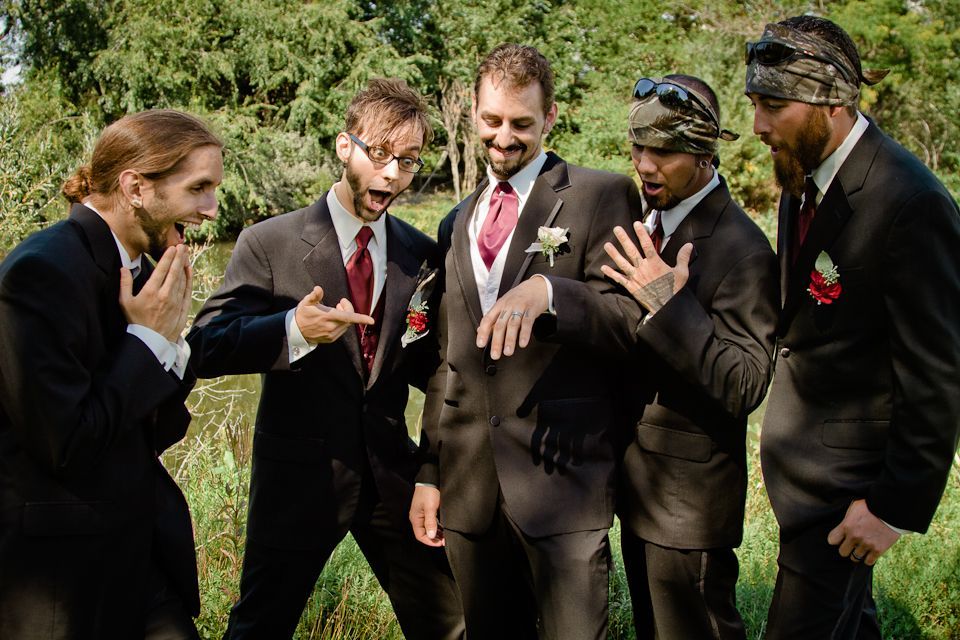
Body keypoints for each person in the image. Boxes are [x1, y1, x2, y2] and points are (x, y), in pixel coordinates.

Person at [187, 78, 464, 640]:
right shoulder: (269, 242)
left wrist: (433, 467)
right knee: (260, 626)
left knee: (449, 622)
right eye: (380, 154)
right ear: (345, 146)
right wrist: (293, 329)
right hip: (299, 477)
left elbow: (430, 366)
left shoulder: (420, 253)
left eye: (407, 162)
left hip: (391, 475)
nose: (392, 174)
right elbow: (207, 343)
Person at [408, 43, 642, 640]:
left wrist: (554, 293)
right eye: (492, 121)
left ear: (551, 117)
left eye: (521, 123)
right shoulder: (455, 220)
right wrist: (429, 472)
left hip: (562, 481)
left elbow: (629, 326)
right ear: (473, 113)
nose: (504, 137)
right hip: (468, 488)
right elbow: (447, 362)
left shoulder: (599, 196)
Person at [745, 15, 960, 639]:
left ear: (832, 101)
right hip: (801, 478)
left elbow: (938, 372)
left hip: (847, 498)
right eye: (756, 104)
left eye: (775, 106)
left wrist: (894, 509)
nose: (759, 126)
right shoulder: (799, 178)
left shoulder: (909, 203)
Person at [0, 109, 223, 639]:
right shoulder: (42, 271)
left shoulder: (144, 272)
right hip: (60, 577)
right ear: (135, 187)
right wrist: (149, 341)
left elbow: (159, 428)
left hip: (137, 558)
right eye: (199, 188)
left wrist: (166, 340)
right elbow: (65, 443)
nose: (211, 209)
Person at [602, 74, 779, 639]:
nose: (646, 165)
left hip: (688, 507)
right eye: (639, 147)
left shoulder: (743, 248)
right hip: (640, 486)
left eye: (665, 151)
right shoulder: (647, 219)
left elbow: (746, 383)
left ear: (704, 152)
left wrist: (668, 306)